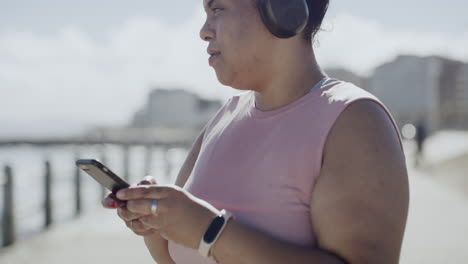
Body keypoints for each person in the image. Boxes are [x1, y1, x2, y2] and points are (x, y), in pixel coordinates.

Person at [102, 0, 409, 263]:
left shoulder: (354, 121)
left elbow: (206, 234)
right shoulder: (224, 116)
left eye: (218, 9)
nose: (204, 31)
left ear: (281, 10)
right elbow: (176, 257)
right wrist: (155, 219)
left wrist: (212, 232)